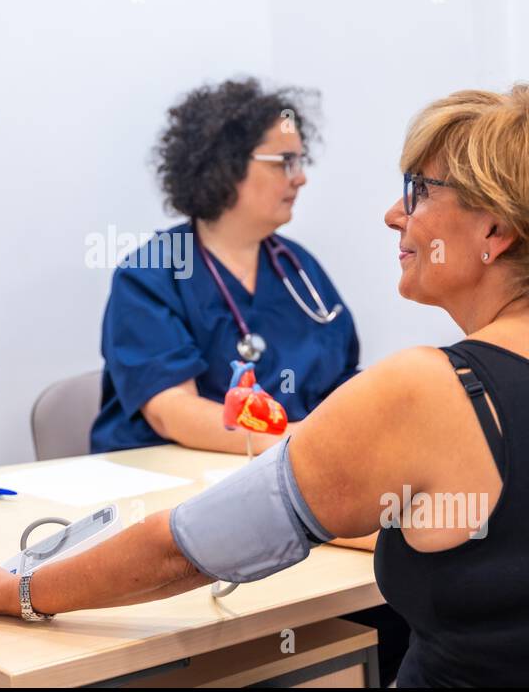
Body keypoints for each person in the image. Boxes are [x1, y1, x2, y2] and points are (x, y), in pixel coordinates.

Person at [0, 84, 529, 687]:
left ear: (497, 231)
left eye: (418, 193)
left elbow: (184, 548)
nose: (391, 218)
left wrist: (18, 592)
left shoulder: (430, 387)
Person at [90, 78, 360, 455]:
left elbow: (343, 385)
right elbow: (171, 411)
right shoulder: (151, 275)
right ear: (226, 166)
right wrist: (295, 446)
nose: (300, 177)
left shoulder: (300, 269)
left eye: (300, 161)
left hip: (293, 472)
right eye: (284, 162)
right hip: (176, 480)